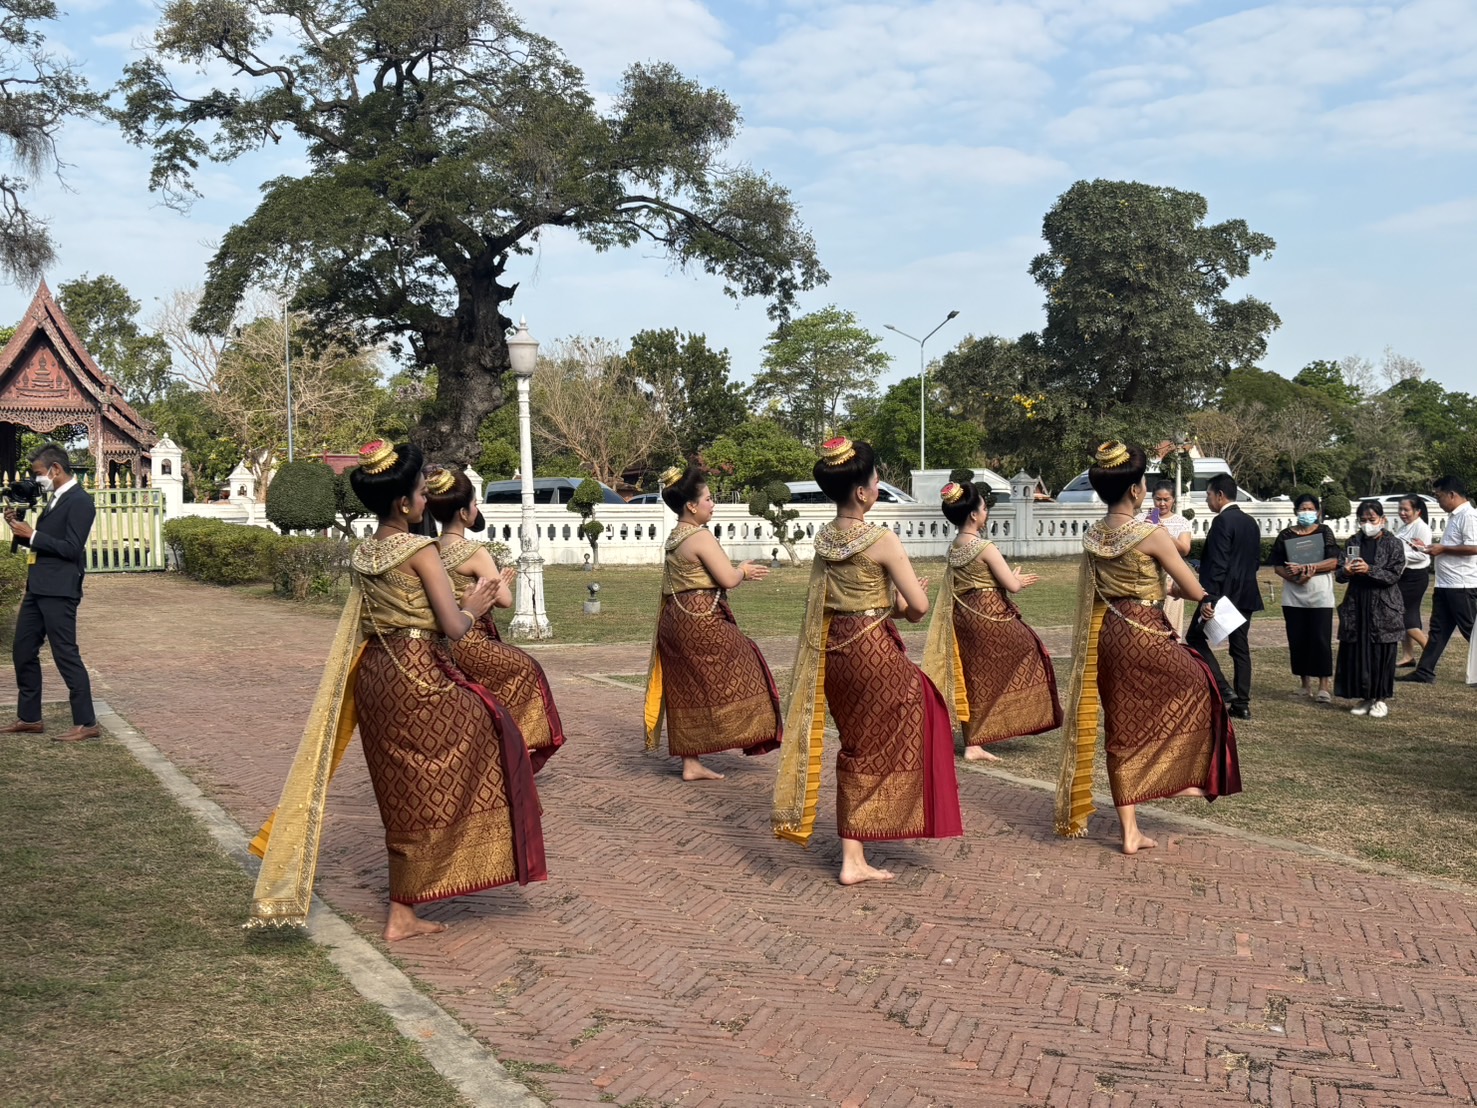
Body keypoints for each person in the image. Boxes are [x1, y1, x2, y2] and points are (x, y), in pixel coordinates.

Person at [248, 440, 545, 940]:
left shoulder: (365, 552)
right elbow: (453, 628)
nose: (426, 502)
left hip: (377, 676)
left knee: (402, 792)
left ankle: (403, 910)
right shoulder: (421, 550)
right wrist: (474, 602)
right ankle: (442, 875)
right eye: (420, 494)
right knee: (494, 732)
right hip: (418, 674)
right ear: (404, 504)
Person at [772, 437, 962, 885]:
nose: (878, 486)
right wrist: (904, 597)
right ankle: (869, 837)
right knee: (924, 710)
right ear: (861, 492)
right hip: (873, 651)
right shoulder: (881, 540)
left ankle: (853, 855)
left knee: (856, 743)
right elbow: (916, 610)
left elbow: (837, 602)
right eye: (876, 480)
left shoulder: (825, 539)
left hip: (836, 652)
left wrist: (886, 603)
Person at [1055, 441, 1240, 854]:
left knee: (1122, 726)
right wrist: (1188, 591)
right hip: (1146, 631)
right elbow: (1192, 588)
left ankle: (1130, 831)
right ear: (1137, 490)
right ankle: (1183, 778)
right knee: (1201, 686)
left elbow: (1113, 589)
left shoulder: (1094, 535)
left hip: (1112, 636)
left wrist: (1161, 587)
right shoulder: (1150, 533)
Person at [643, 464, 781, 780]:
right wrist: (743, 571)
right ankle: (743, 730)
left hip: (674, 621)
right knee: (749, 662)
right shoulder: (700, 536)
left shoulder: (675, 536)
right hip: (700, 620)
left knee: (684, 687)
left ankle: (691, 762)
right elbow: (727, 578)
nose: (712, 503)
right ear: (691, 505)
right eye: (707, 498)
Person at [425, 464, 566, 771]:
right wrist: (502, 582)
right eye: (474, 503)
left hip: (443, 642)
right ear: (464, 513)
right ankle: (519, 753)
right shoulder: (473, 551)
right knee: (528, 671)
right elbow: (504, 601)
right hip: (471, 640)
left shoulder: (431, 549)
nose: (477, 508)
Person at [922, 481, 1061, 763]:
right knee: (1031, 649)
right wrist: (1017, 578)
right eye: (984, 508)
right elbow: (1011, 585)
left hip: (964, 617)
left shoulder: (955, 546)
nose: (986, 512)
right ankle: (997, 725)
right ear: (974, 515)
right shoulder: (984, 546)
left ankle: (974, 743)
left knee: (973, 676)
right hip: (990, 616)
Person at [2, 443, 100, 742]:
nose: (37, 479)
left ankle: (87, 723)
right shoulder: (55, 500)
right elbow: (45, 542)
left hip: (60, 590)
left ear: (55, 470)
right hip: (38, 587)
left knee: (65, 654)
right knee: (22, 650)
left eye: (39, 473)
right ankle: (30, 717)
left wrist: (33, 534)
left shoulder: (80, 501)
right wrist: (20, 528)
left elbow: (71, 548)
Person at [1183, 473, 1263, 720]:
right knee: (1240, 648)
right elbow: (1255, 562)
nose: (1207, 500)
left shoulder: (1222, 522)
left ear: (1219, 495)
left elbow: (1217, 564)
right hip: (1246, 594)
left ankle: (1223, 687)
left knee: (1194, 637)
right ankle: (1243, 704)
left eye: (1208, 495)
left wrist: (1208, 598)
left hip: (1222, 597)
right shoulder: (1251, 522)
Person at [1398, 476, 1477, 685]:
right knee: (1438, 630)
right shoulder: (1454, 516)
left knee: (1471, 630)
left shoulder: (1468, 516)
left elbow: (1474, 547)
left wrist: (1443, 549)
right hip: (1445, 584)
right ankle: (1425, 671)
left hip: (1462, 585)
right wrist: (1425, 548)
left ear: (1452, 494)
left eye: (1439, 496)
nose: (1437, 501)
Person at [1333, 500, 1405, 718]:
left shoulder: (1393, 543)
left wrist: (1369, 569)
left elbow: (1394, 574)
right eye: (1363, 520)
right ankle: (1364, 696)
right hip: (1357, 604)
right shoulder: (1353, 542)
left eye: (1371, 520)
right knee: (1358, 652)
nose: (1367, 524)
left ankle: (1381, 699)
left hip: (1383, 606)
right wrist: (1346, 570)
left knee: (1381, 653)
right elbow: (1339, 574)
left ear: (1382, 520)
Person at [1267, 493, 1340, 702]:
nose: (1306, 512)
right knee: (1298, 639)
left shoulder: (1324, 532)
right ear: (1295, 511)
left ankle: (1324, 686)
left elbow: (1334, 561)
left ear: (1317, 512)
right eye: (1302, 509)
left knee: (1320, 639)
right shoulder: (1286, 535)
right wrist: (1294, 577)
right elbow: (1278, 565)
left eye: (1310, 509)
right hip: (1293, 595)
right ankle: (1304, 684)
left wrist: (1310, 568)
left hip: (1320, 595)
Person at [1139, 480, 1193, 633]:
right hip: (1146, 580)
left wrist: (1167, 536)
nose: (1162, 504)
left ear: (1173, 500)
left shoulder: (1181, 522)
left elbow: (1184, 549)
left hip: (1171, 581)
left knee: (1171, 627)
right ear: (1153, 498)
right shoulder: (1141, 519)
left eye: (1166, 499)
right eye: (1158, 499)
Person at [1394, 494, 1432, 668]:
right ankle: (1408, 655)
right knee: (1407, 616)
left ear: (1417, 511)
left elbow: (1422, 553)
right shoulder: (1404, 528)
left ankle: (1430, 652)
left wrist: (1399, 556)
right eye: (1400, 509)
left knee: (1405, 618)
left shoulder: (1421, 528)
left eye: (1406, 509)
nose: (1402, 512)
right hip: (1404, 576)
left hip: (1415, 577)